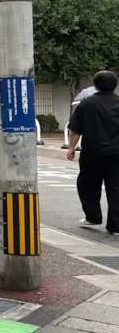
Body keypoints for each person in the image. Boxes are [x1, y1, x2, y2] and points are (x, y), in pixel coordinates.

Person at [67, 70, 119, 235]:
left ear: (96, 85)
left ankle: (93, 216)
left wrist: (71, 147)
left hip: (92, 153)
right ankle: (116, 224)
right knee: (116, 188)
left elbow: (76, 128)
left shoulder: (87, 103)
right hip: (116, 154)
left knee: (88, 185)